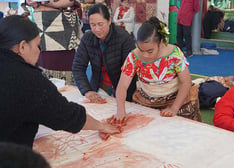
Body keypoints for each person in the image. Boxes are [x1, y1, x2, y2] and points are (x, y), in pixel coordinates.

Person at [0, 15, 120, 148]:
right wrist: (101, 126)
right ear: (22, 47)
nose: (39, 51)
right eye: (37, 46)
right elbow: (66, 115)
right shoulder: (26, 78)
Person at [111, 16, 201, 125]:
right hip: (146, 102)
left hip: (176, 101)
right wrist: (120, 110)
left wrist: (174, 108)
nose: (145, 55)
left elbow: (186, 82)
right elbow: (122, 86)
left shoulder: (174, 53)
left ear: (161, 42)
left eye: (150, 51)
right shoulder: (134, 56)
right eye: (141, 49)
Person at [72, 3, 136, 103]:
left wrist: (124, 95)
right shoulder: (87, 38)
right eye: (93, 25)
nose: (97, 29)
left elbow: (131, 70)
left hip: (122, 91)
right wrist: (87, 91)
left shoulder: (123, 38)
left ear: (109, 20)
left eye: (100, 24)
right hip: (98, 90)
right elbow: (78, 67)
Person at [26, 0, 82, 85]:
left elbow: (71, 1)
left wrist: (45, 3)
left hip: (62, 26)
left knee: (63, 69)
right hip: (41, 25)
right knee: (43, 64)